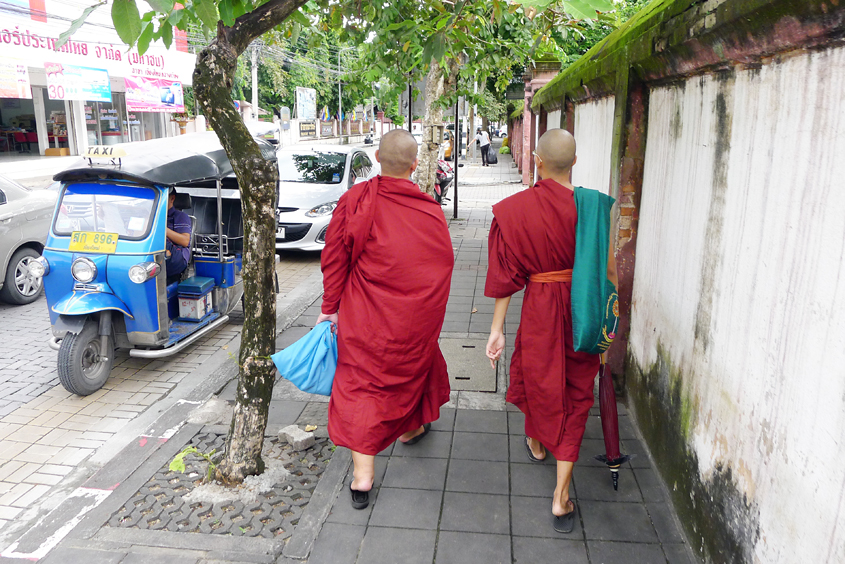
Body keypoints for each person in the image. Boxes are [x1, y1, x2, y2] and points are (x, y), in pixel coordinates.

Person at [484, 128, 618, 534]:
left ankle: (539, 442)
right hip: (584, 309)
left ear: (537, 161)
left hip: (540, 306)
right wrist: (608, 326)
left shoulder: (514, 209)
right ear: (574, 163)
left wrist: (497, 330)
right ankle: (561, 497)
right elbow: (609, 273)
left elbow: (507, 278)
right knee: (576, 394)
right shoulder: (595, 207)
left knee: (539, 379)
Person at [316, 129, 454, 510]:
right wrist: (426, 315)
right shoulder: (428, 210)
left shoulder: (355, 200)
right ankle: (409, 428)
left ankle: (363, 477)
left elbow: (334, 260)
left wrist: (330, 308)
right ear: (414, 165)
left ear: (377, 157)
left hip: (364, 317)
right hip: (412, 319)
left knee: (362, 386)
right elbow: (442, 265)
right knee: (408, 370)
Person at [165, 188, 191, 284]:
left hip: (177, 255)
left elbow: (185, 241)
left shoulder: (181, 216)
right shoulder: (150, 215)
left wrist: (161, 229)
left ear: (172, 199)